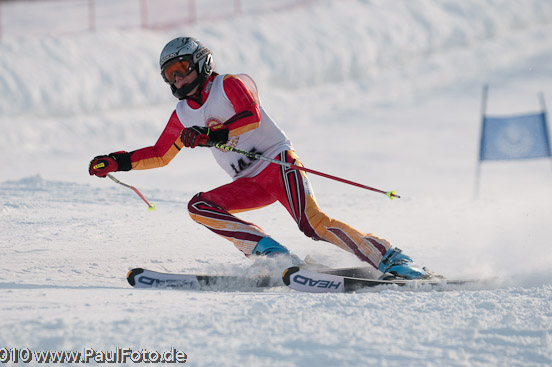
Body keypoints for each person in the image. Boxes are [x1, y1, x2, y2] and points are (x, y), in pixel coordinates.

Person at [89, 37, 430, 279]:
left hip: (278, 163)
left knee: (312, 223)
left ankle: (390, 257)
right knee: (199, 206)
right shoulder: (182, 113)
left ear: (201, 63)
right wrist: (117, 161)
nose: (178, 79)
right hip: (249, 181)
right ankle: (274, 255)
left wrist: (213, 135)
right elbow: (160, 154)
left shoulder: (228, 84)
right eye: (170, 74)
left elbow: (250, 116)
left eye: (182, 68)